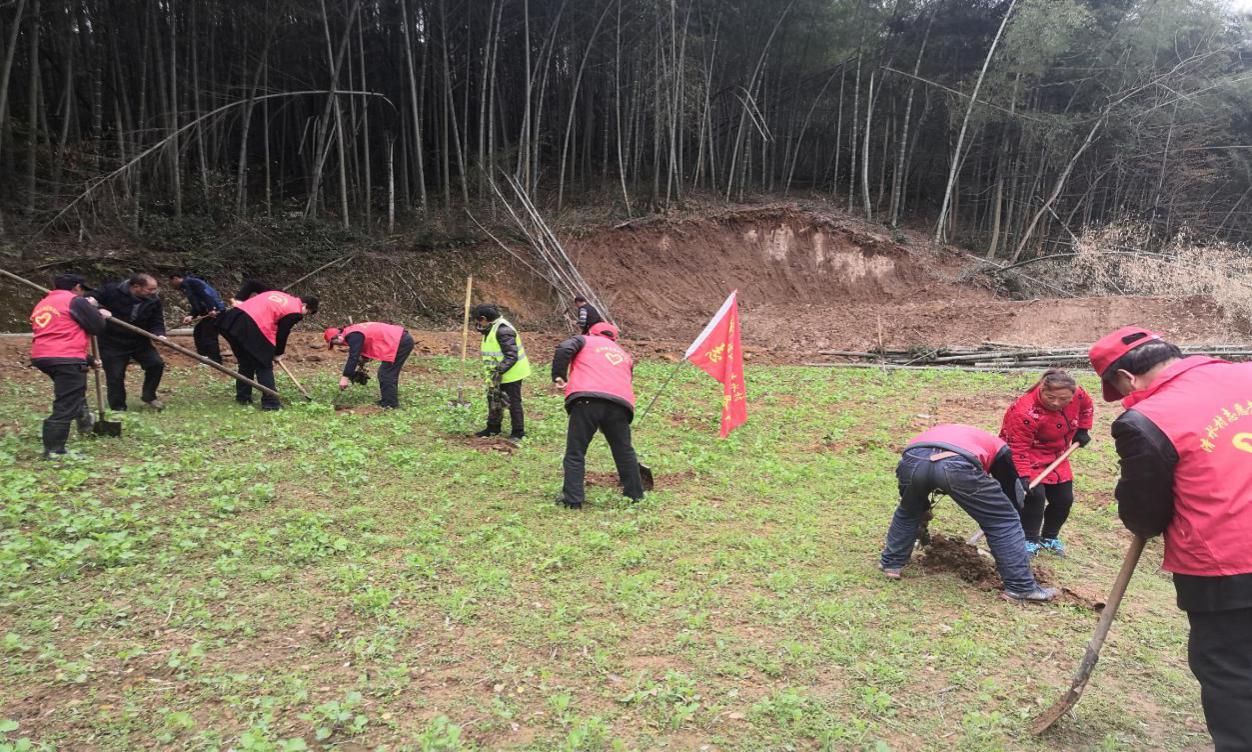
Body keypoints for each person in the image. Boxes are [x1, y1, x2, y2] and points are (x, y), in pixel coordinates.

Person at [1090, 326, 1252, 750]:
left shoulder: (1147, 419)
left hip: (1228, 564)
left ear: (1125, 377)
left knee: (1231, 670)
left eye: (1119, 390)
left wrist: (1136, 510)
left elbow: (1145, 512)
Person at [879, 423, 1058, 603]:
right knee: (1003, 521)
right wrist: (1012, 512)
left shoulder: (952, 433)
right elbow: (1009, 489)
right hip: (957, 464)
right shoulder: (1000, 448)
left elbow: (912, 494)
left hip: (913, 458)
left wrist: (922, 508)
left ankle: (891, 564)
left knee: (909, 511)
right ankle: (1021, 587)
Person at [999, 369, 1094, 556]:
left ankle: (1050, 537)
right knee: (1035, 496)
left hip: (1056, 453)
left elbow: (1087, 407)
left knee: (1064, 499)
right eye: (1051, 397)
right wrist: (1023, 476)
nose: (1057, 403)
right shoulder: (1025, 411)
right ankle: (1029, 540)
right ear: (1042, 389)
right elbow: (1018, 448)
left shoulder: (1079, 394)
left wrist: (1083, 429)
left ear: (1073, 394)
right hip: (1026, 453)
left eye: (1064, 399)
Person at [551, 322, 644, 509]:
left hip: (586, 399)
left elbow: (564, 348)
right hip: (620, 404)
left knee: (575, 452)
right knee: (624, 451)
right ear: (614, 337)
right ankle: (635, 495)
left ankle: (573, 499)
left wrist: (559, 375)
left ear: (590, 332)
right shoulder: (625, 354)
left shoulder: (584, 340)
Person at [29, 274, 111, 459]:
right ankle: (54, 450)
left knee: (71, 394)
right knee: (65, 403)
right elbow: (96, 327)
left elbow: (58, 334)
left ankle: (83, 418)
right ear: (77, 287)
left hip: (44, 356)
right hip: (65, 358)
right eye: (82, 289)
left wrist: (88, 359)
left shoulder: (44, 303)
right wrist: (101, 314)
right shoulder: (75, 301)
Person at [214, 290, 318, 410]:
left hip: (233, 319)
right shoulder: (295, 310)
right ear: (304, 305)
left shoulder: (279, 294)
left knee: (246, 362)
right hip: (253, 324)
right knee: (264, 364)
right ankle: (271, 403)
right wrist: (278, 353)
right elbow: (282, 333)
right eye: (308, 312)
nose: (304, 315)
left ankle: (243, 397)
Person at [95, 273, 167, 411]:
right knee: (115, 375)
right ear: (136, 287)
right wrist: (99, 309)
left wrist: (159, 334)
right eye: (150, 289)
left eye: (154, 289)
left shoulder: (154, 300)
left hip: (139, 340)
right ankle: (118, 408)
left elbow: (157, 321)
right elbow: (87, 300)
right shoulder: (111, 290)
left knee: (156, 364)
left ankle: (149, 396)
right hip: (112, 341)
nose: (153, 292)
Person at [324, 322, 415, 409]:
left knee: (386, 373)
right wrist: (361, 364)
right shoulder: (353, 331)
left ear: (337, 336)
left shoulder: (353, 335)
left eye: (334, 343)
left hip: (400, 341)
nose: (338, 345)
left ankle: (390, 404)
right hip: (400, 339)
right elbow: (365, 346)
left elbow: (353, 356)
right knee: (387, 372)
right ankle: (387, 401)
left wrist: (345, 377)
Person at [472, 304, 530, 441]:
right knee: (494, 399)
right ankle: (493, 427)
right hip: (497, 374)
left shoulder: (503, 330)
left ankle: (518, 432)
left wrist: (499, 370)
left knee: (512, 402)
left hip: (512, 374)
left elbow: (511, 355)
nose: (476, 324)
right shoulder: (491, 328)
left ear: (484, 318)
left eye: (477, 320)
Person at [168, 272, 226, 363]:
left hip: (214, 311)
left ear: (175, 278)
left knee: (209, 335)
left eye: (171, 282)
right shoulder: (186, 286)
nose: (171, 285)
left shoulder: (192, 282)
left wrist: (212, 308)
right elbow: (197, 304)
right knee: (198, 332)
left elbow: (206, 295)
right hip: (208, 311)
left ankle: (215, 360)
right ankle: (203, 356)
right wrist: (191, 315)